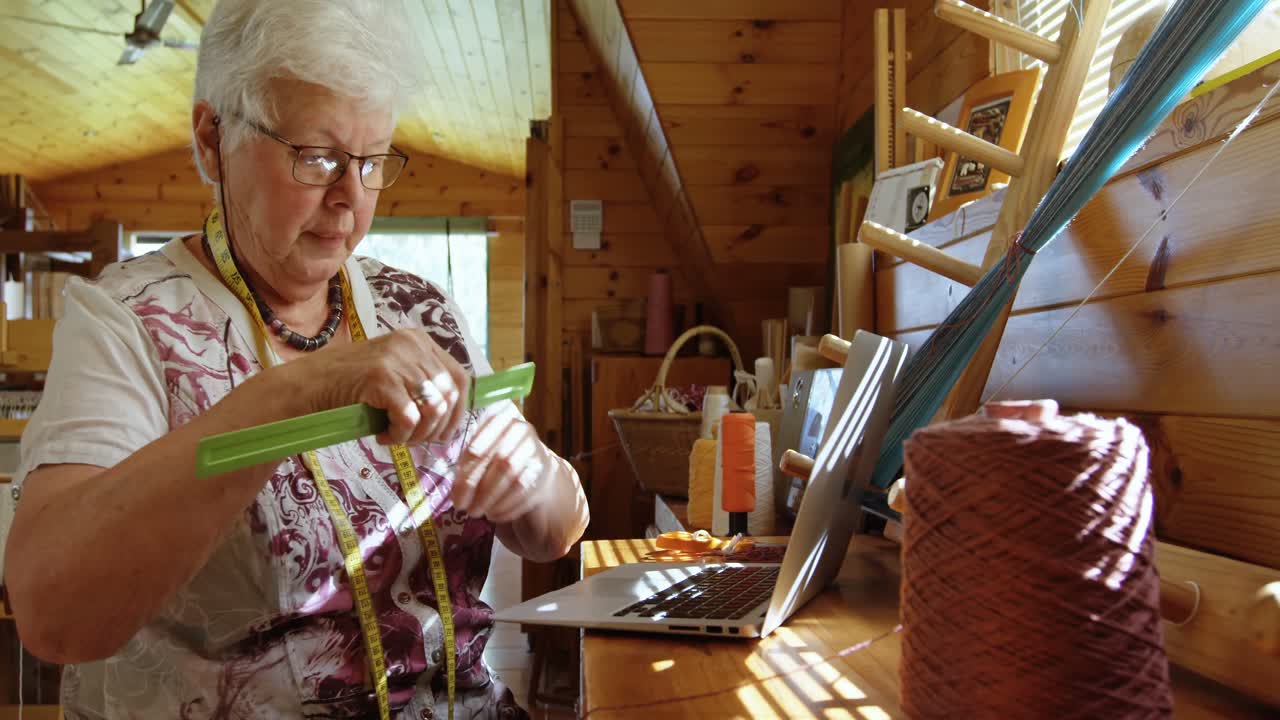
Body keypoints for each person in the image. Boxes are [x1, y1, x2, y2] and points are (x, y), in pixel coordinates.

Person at [2, 1, 588, 717]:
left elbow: (557, 526)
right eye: (317, 157)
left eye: (373, 161)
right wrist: (300, 388)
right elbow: (53, 614)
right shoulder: (126, 322)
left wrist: (533, 480)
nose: (350, 199)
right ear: (212, 137)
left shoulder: (419, 309)